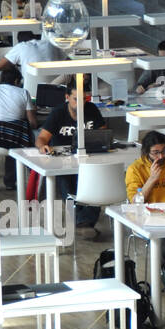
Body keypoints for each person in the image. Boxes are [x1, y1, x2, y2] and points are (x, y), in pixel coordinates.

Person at [35, 84, 106, 232]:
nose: (81, 103)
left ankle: (84, 222)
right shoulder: (58, 113)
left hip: (88, 157)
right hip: (64, 161)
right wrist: (43, 147)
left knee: (95, 183)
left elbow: (104, 133)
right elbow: (41, 137)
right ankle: (82, 221)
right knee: (67, 184)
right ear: (67, 98)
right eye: (76, 99)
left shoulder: (91, 109)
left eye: (84, 99)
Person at [125, 130, 165, 203]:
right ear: (146, 152)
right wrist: (152, 179)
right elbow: (135, 202)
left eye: (163, 151)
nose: (161, 156)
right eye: (155, 153)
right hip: (148, 212)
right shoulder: (135, 169)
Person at [0, 31, 63, 96]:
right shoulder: (50, 44)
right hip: (57, 89)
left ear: (20, 41)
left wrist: (14, 66)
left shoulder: (21, 46)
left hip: (31, 93)